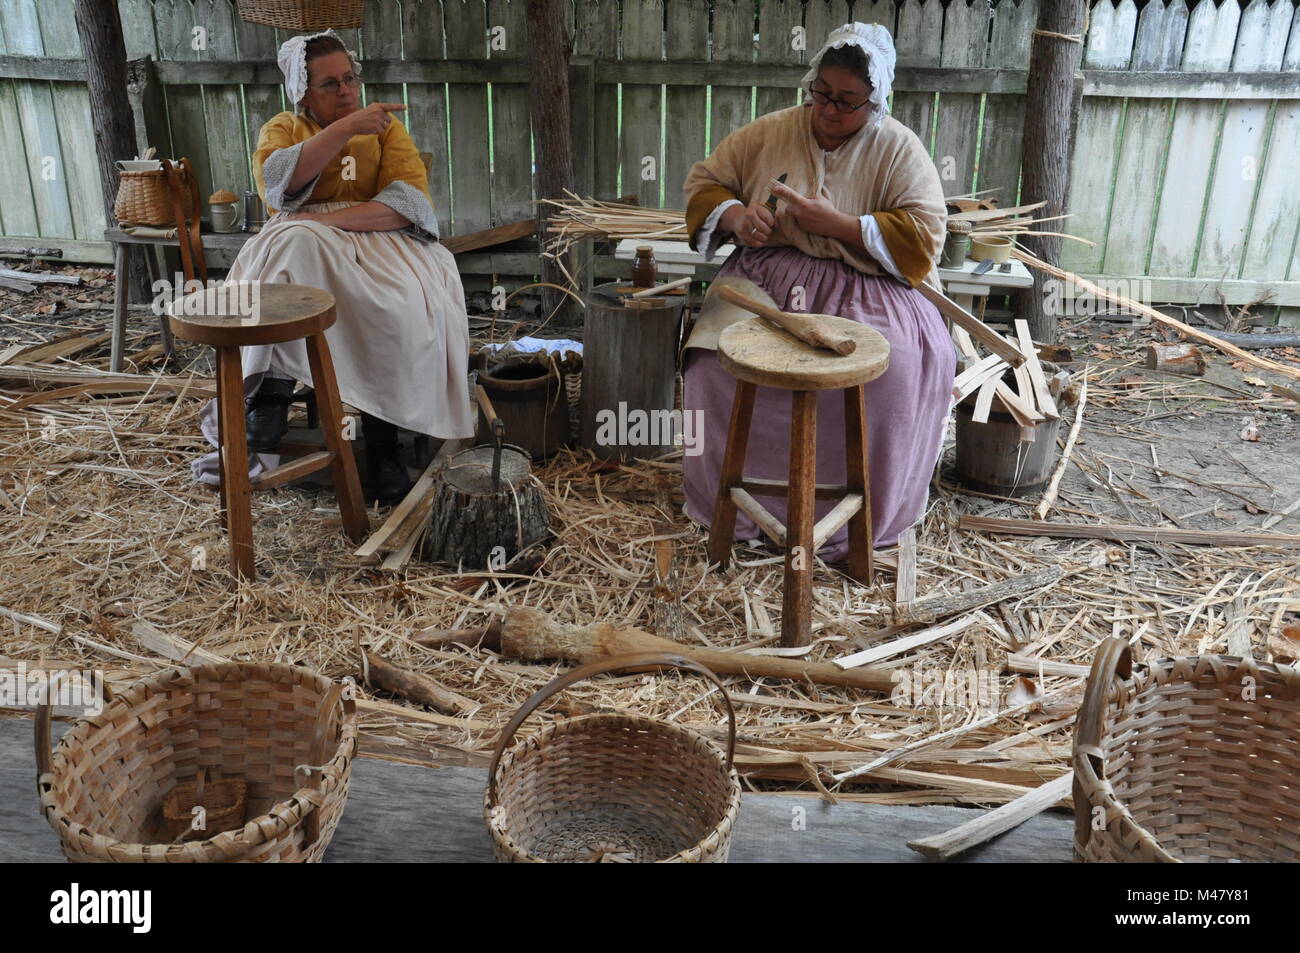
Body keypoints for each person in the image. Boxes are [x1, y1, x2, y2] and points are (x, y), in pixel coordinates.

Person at [680, 22, 954, 560]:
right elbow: (704, 183)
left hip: (871, 286)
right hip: (766, 279)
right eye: (822, 94)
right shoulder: (769, 131)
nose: (830, 110)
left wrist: (843, 226)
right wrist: (739, 218)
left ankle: (853, 521)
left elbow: (927, 237)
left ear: (875, 101)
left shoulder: (898, 147)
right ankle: (734, 512)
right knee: (712, 368)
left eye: (847, 101)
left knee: (894, 372)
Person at [191, 30, 472, 505]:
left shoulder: (387, 130)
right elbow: (278, 189)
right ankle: (271, 398)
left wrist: (331, 223)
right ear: (303, 92)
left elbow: (407, 206)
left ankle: (382, 442)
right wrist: (343, 129)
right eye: (330, 84)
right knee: (293, 243)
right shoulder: (283, 128)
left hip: (379, 237)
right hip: (305, 246)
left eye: (350, 79)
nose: (345, 91)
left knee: (398, 303)